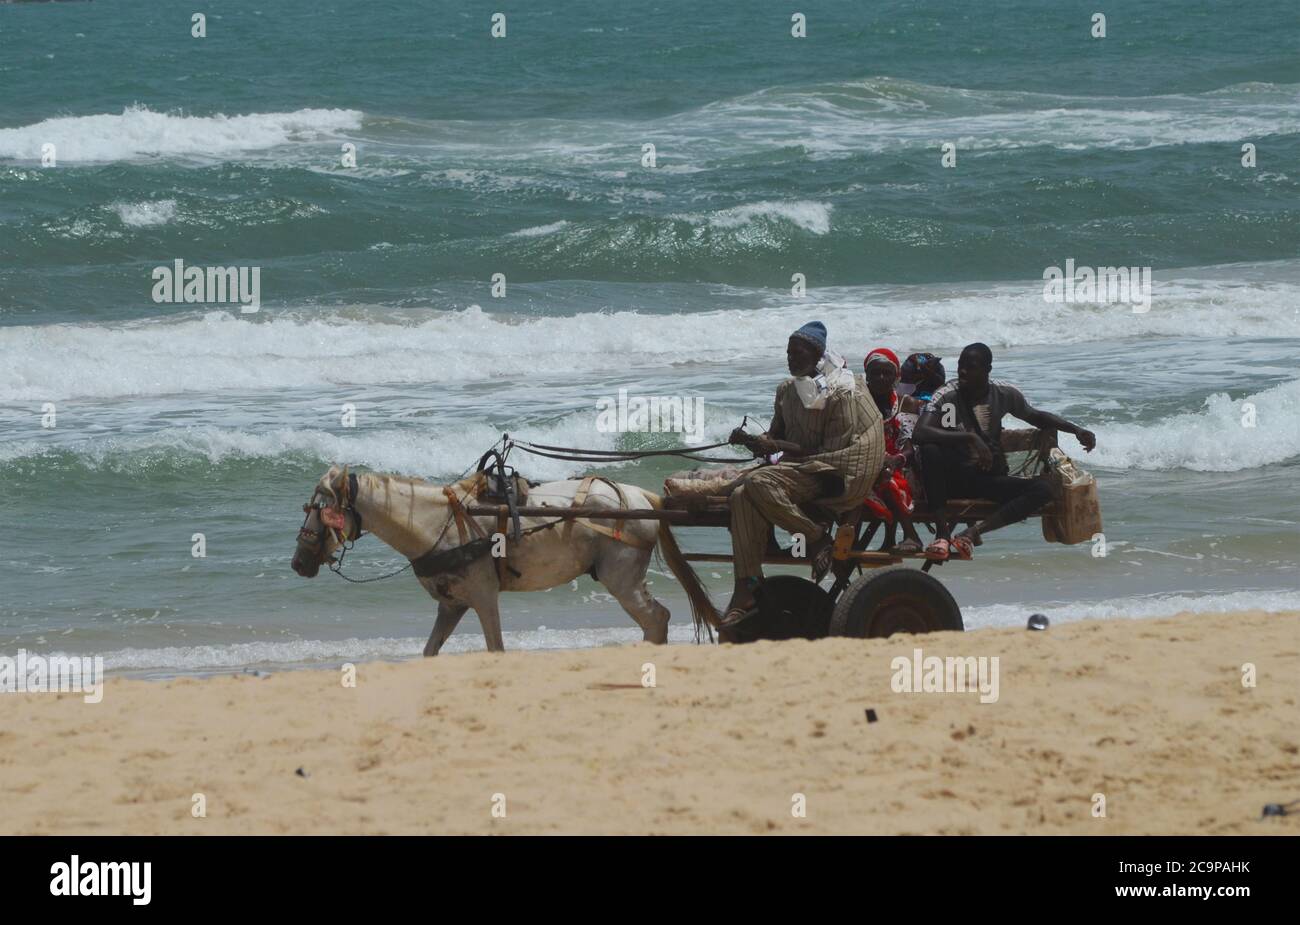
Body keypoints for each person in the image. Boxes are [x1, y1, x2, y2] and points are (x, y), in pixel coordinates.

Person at [724, 321, 884, 622]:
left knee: (757, 482)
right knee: (741, 495)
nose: (791, 359)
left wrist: (775, 444)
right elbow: (774, 447)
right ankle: (747, 584)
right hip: (802, 470)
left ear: (818, 355)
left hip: (837, 472)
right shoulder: (786, 390)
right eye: (788, 353)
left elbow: (830, 454)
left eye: (797, 353)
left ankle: (816, 537)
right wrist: (751, 442)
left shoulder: (842, 392)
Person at [912, 342, 1096, 561]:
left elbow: (1035, 416)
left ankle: (972, 533)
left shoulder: (1004, 393)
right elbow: (921, 432)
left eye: (970, 366)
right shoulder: (948, 395)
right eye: (961, 365)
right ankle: (942, 535)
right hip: (952, 479)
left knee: (1045, 489)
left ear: (987, 370)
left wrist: (1075, 429)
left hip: (986, 478)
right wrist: (970, 438)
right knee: (930, 450)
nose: (962, 371)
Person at [862, 348, 924, 554]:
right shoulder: (857, 403)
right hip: (866, 462)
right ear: (866, 376)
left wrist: (896, 459)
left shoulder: (907, 403)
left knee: (887, 477)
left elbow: (910, 445)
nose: (881, 377)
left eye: (886, 373)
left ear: (896, 377)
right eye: (875, 373)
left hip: (901, 465)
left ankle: (911, 535)